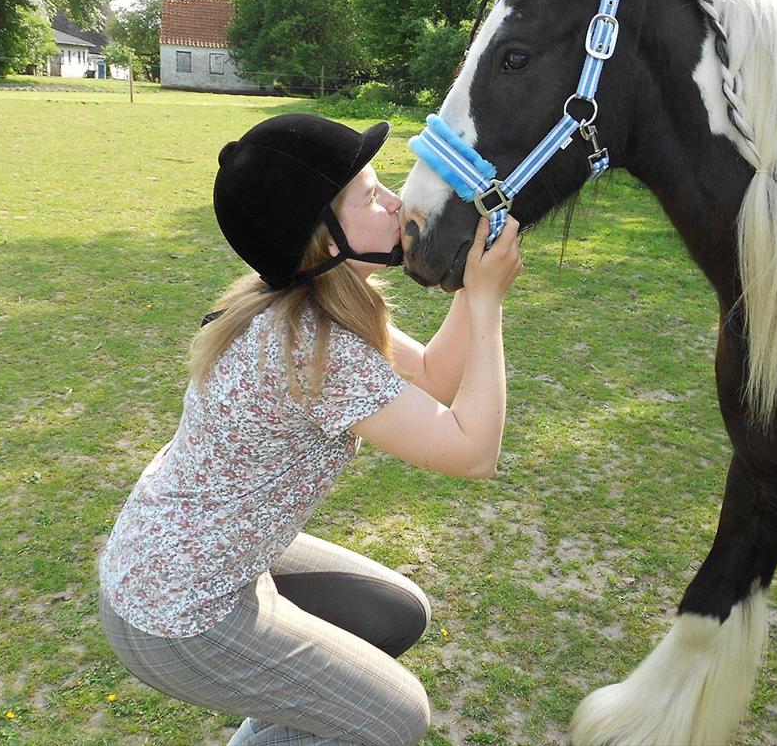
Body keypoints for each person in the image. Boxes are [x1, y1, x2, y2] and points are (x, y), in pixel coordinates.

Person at [97, 114, 522, 746]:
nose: (395, 203)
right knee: (395, 719)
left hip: (193, 560)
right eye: (369, 197)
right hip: (177, 610)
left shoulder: (311, 300)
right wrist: (485, 302)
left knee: (393, 616)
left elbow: (433, 374)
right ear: (327, 242)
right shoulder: (310, 347)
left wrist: (468, 272)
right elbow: (472, 452)